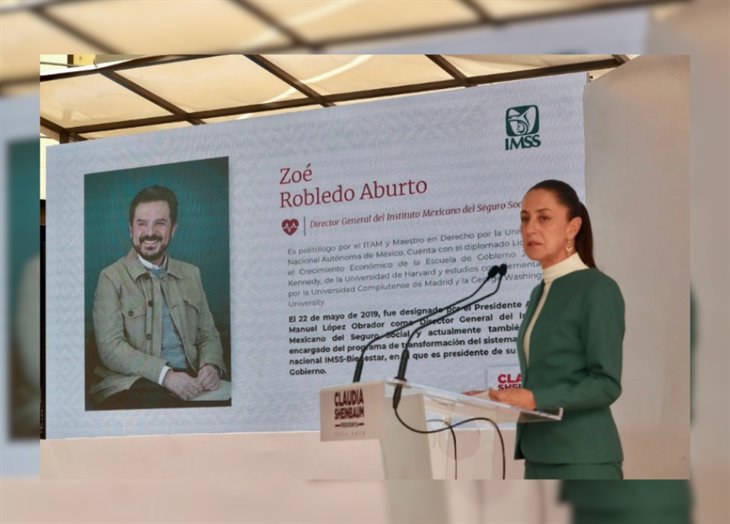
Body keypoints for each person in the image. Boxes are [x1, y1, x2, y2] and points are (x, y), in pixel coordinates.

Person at [488, 179, 625, 479]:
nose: (530, 229)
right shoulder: (540, 292)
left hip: (582, 459)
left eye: (544, 218)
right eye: (524, 219)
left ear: (573, 227)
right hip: (538, 456)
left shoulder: (598, 290)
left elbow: (606, 384)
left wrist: (535, 398)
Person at [90, 185, 227, 409]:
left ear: (173, 229)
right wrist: (166, 376)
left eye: (160, 223)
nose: (150, 232)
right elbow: (110, 348)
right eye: (141, 223)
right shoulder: (110, 277)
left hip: (191, 381)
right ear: (130, 229)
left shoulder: (192, 274)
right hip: (132, 383)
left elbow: (208, 335)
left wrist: (211, 366)